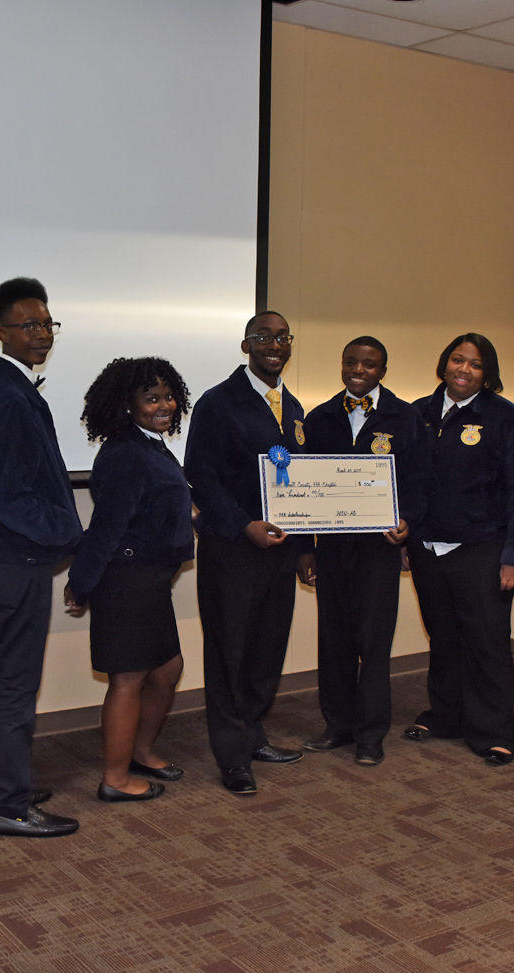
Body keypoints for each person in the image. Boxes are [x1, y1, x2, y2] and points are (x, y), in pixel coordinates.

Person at [0, 277, 82, 836]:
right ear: (2, 332)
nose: (41, 335)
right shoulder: (12, 395)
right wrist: (66, 535)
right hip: (19, 558)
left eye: (46, 324)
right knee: (15, 680)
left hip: (7, 558)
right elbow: (7, 493)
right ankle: (10, 806)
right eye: (28, 326)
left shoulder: (7, 387)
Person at [184, 310, 307, 796]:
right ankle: (232, 756)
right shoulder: (218, 403)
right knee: (230, 652)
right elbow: (201, 473)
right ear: (245, 346)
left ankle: (253, 734)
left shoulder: (293, 407)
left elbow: (300, 483)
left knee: (266, 649)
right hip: (232, 550)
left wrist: (303, 548)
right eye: (263, 337)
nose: (274, 345)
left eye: (282, 337)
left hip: (279, 552)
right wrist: (243, 525)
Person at [404, 333, 514, 766]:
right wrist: (407, 539)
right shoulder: (417, 414)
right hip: (426, 547)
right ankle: (446, 715)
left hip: (483, 548)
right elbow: (403, 480)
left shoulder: (506, 419)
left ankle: (496, 730)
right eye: (457, 360)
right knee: (443, 637)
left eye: (475, 364)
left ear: (488, 373)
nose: (464, 369)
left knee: (486, 641)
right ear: (444, 364)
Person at [63, 357, 194, 801]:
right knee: (129, 679)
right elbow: (106, 527)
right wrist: (80, 583)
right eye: (152, 398)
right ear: (126, 405)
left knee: (167, 669)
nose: (165, 405)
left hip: (152, 579)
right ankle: (115, 778)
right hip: (127, 579)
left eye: (169, 396)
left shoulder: (151, 445)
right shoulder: (125, 453)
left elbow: (161, 504)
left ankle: (139, 751)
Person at [297, 336, 428, 766]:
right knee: (333, 640)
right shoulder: (319, 418)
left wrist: (407, 522)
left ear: (382, 371)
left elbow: (420, 483)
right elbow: (301, 488)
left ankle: (371, 734)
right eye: (351, 361)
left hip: (378, 551)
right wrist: (305, 548)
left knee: (373, 642)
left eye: (369, 364)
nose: (358, 370)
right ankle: (338, 725)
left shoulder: (405, 418)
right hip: (331, 548)